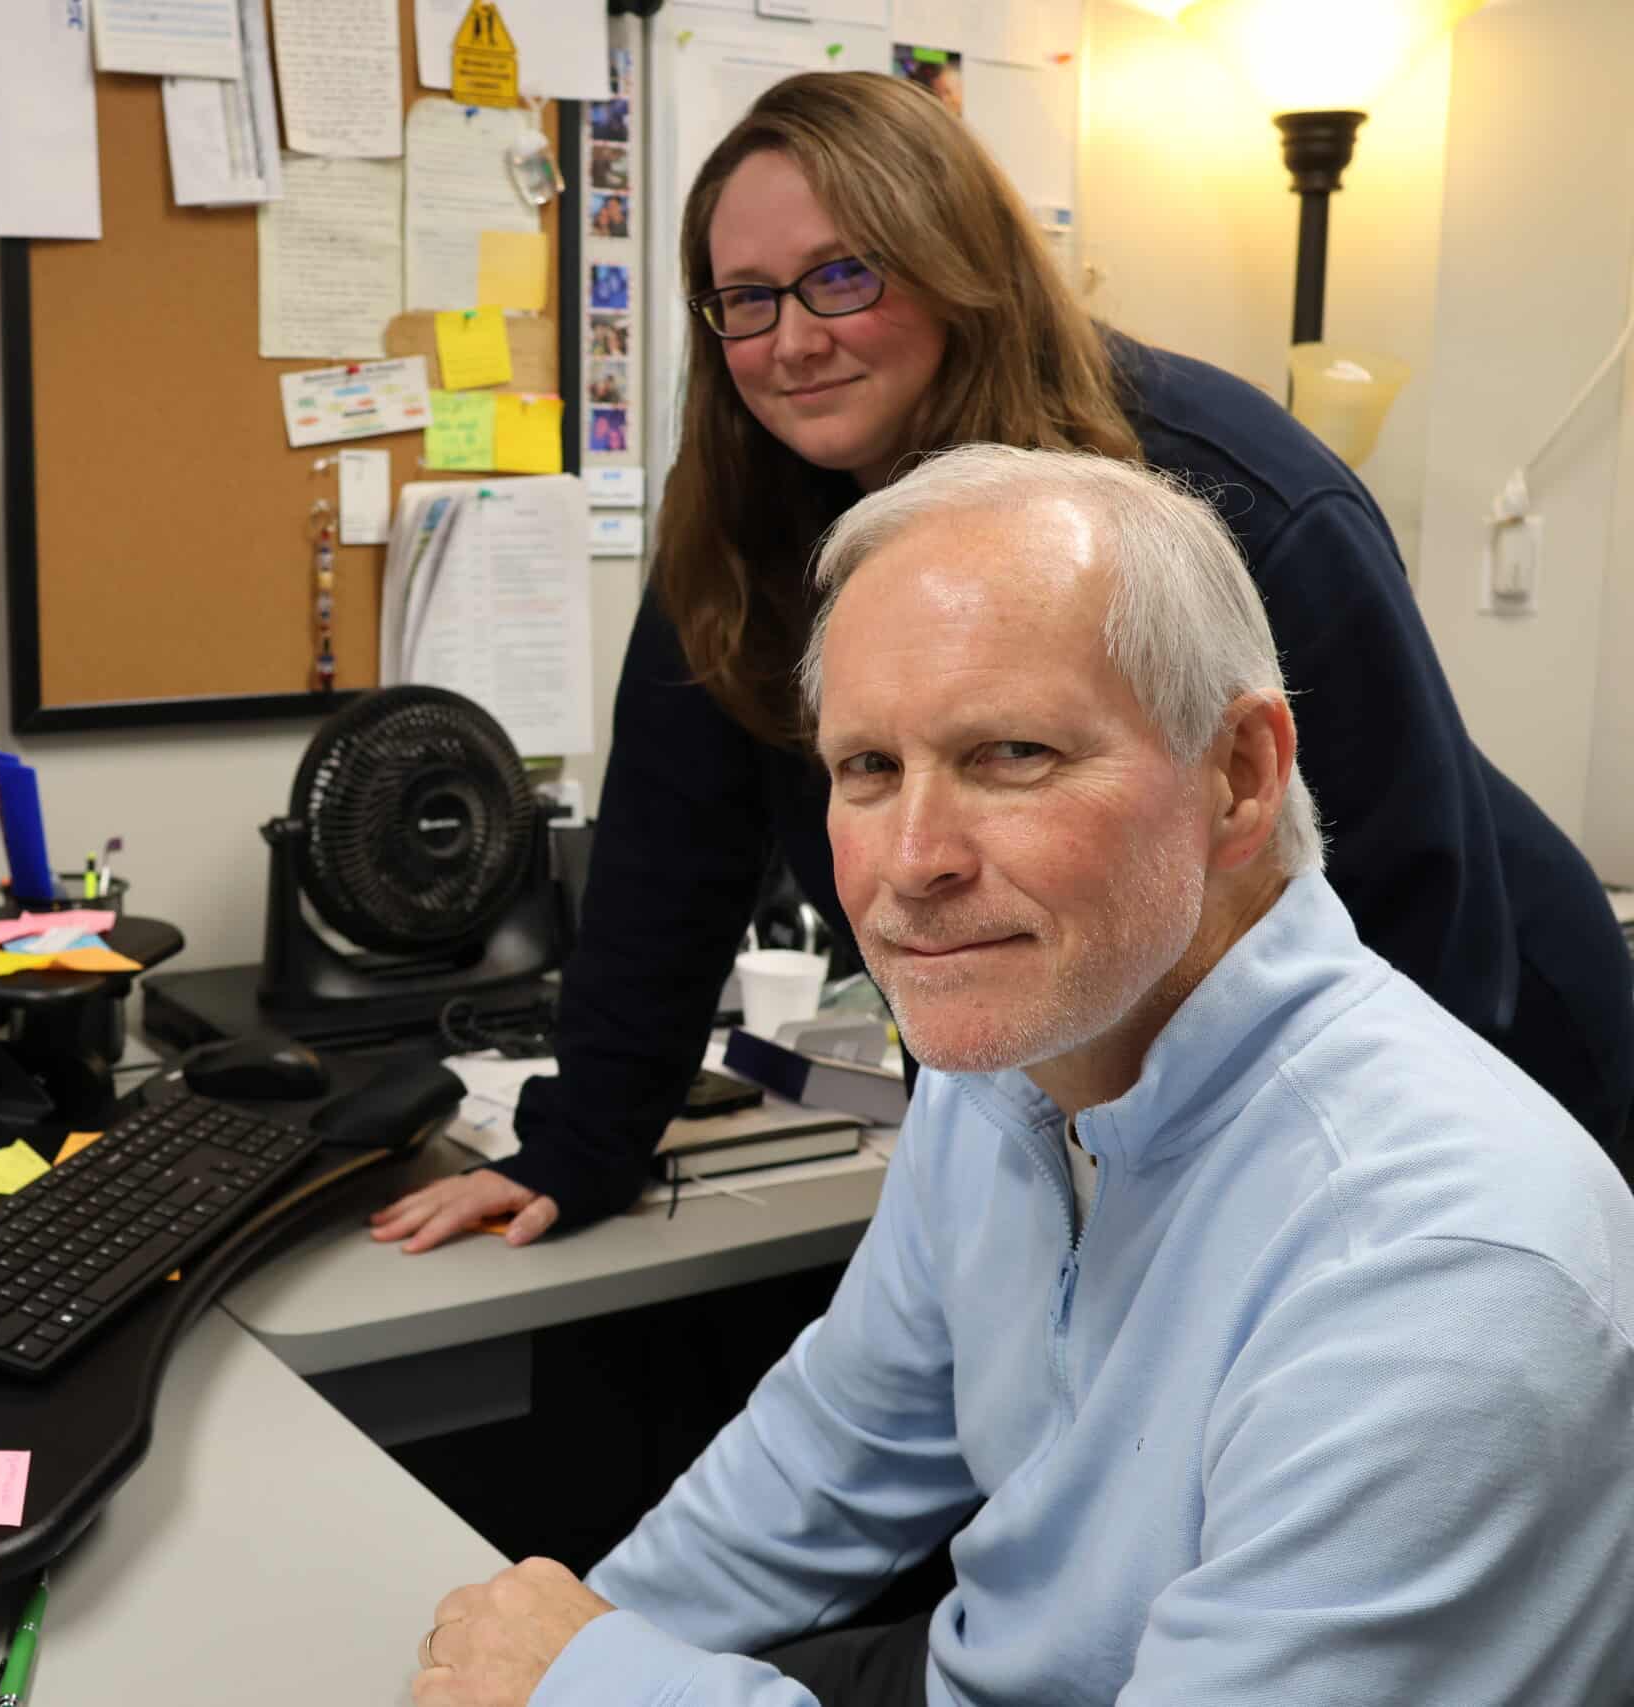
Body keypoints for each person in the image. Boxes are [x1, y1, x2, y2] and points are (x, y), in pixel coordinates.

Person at [407, 447, 1634, 1707]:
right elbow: (839, 1446)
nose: (912, 863)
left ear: (1239, 776)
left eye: (1011, 754)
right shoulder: (1017, 1052)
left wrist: (593, 1688)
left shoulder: (1446, 1273)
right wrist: (551, 1648)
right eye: (867, 769)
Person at [370, 70, 1634, 1255]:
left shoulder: (1229, 493)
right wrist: (580, 1146)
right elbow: (667, 860)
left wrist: (1363, 1201)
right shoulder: (748, 524)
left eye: (841, 278)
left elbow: (1413, 879)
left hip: (1469, 1033)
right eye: (743, 299)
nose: (790, 340)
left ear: (953, 267)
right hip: (1106, 1072)